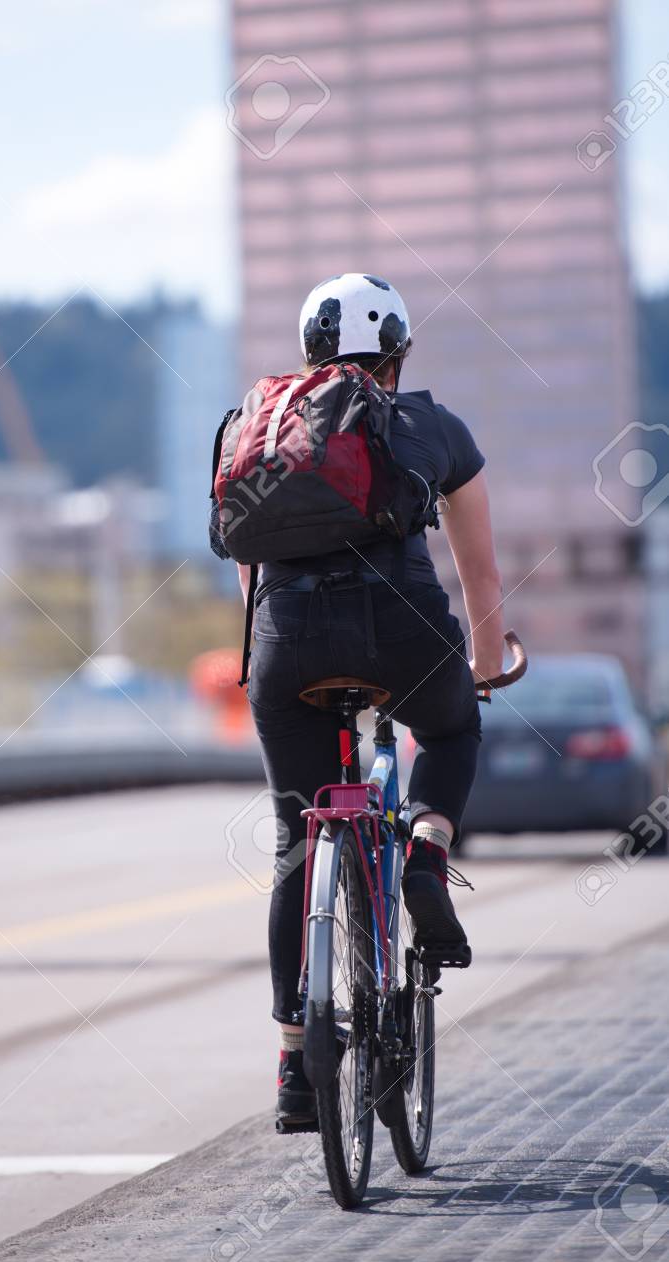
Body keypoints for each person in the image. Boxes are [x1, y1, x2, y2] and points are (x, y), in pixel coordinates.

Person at [229, 273, 505, 1129]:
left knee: (296, 839)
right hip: (404, 634)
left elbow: (249, 574)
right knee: (453, 731)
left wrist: (275, 656)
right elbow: (481, 574)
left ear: (310, 354)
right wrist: (486, 667)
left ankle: (293, 1070)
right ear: (397, 356)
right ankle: (425, 849)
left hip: (286, 646)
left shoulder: (259, 426)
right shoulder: (432, 424)